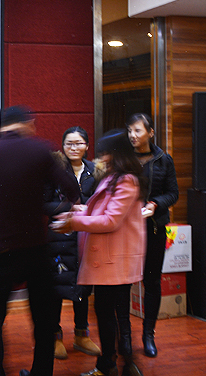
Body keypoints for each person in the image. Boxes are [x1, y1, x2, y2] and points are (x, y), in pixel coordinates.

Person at [0, 105, 80, 376]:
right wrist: (65, 208)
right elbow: (71, 188)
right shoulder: (41, 149)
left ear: (3, 126)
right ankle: (41, 371)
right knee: (43, 319)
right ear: (26, 123)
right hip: (36, 249)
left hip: (3, 248)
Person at [54, 129, 147, 376]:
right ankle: (118, 363)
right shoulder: (113, 177)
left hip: (115, 260)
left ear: (117, 154)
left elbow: (110, 220)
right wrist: (75, 214)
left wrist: (73, 222)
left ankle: (113, 365)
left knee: (110, 314)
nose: (102, 158)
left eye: (106, 153)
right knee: (108, 313)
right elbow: (99, 211)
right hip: (108, 259)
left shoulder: (127, 181)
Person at [44, 126, 102, 360]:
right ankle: (55, 336)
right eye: (69, 143)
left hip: (86, 237)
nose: (73, 148)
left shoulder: (95, 171)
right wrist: (70, 208)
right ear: (63, 146)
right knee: (56, 288)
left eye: (78, 143)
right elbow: (43, 203)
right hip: (59, 237)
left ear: (87, 146)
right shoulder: (54, 170)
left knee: (83, 287)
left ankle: (81, 335)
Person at [127, 113, 179, 358]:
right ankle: (124, 337)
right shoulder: (123, 158)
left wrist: (156, 204)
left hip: (154, 227)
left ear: (150, 133)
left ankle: (149, 335)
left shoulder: (163, 160)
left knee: (152, 282)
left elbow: (173, 193)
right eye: (129, 131)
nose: (132, 135)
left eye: (137, 130)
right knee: (123, 283)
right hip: (126, 230)